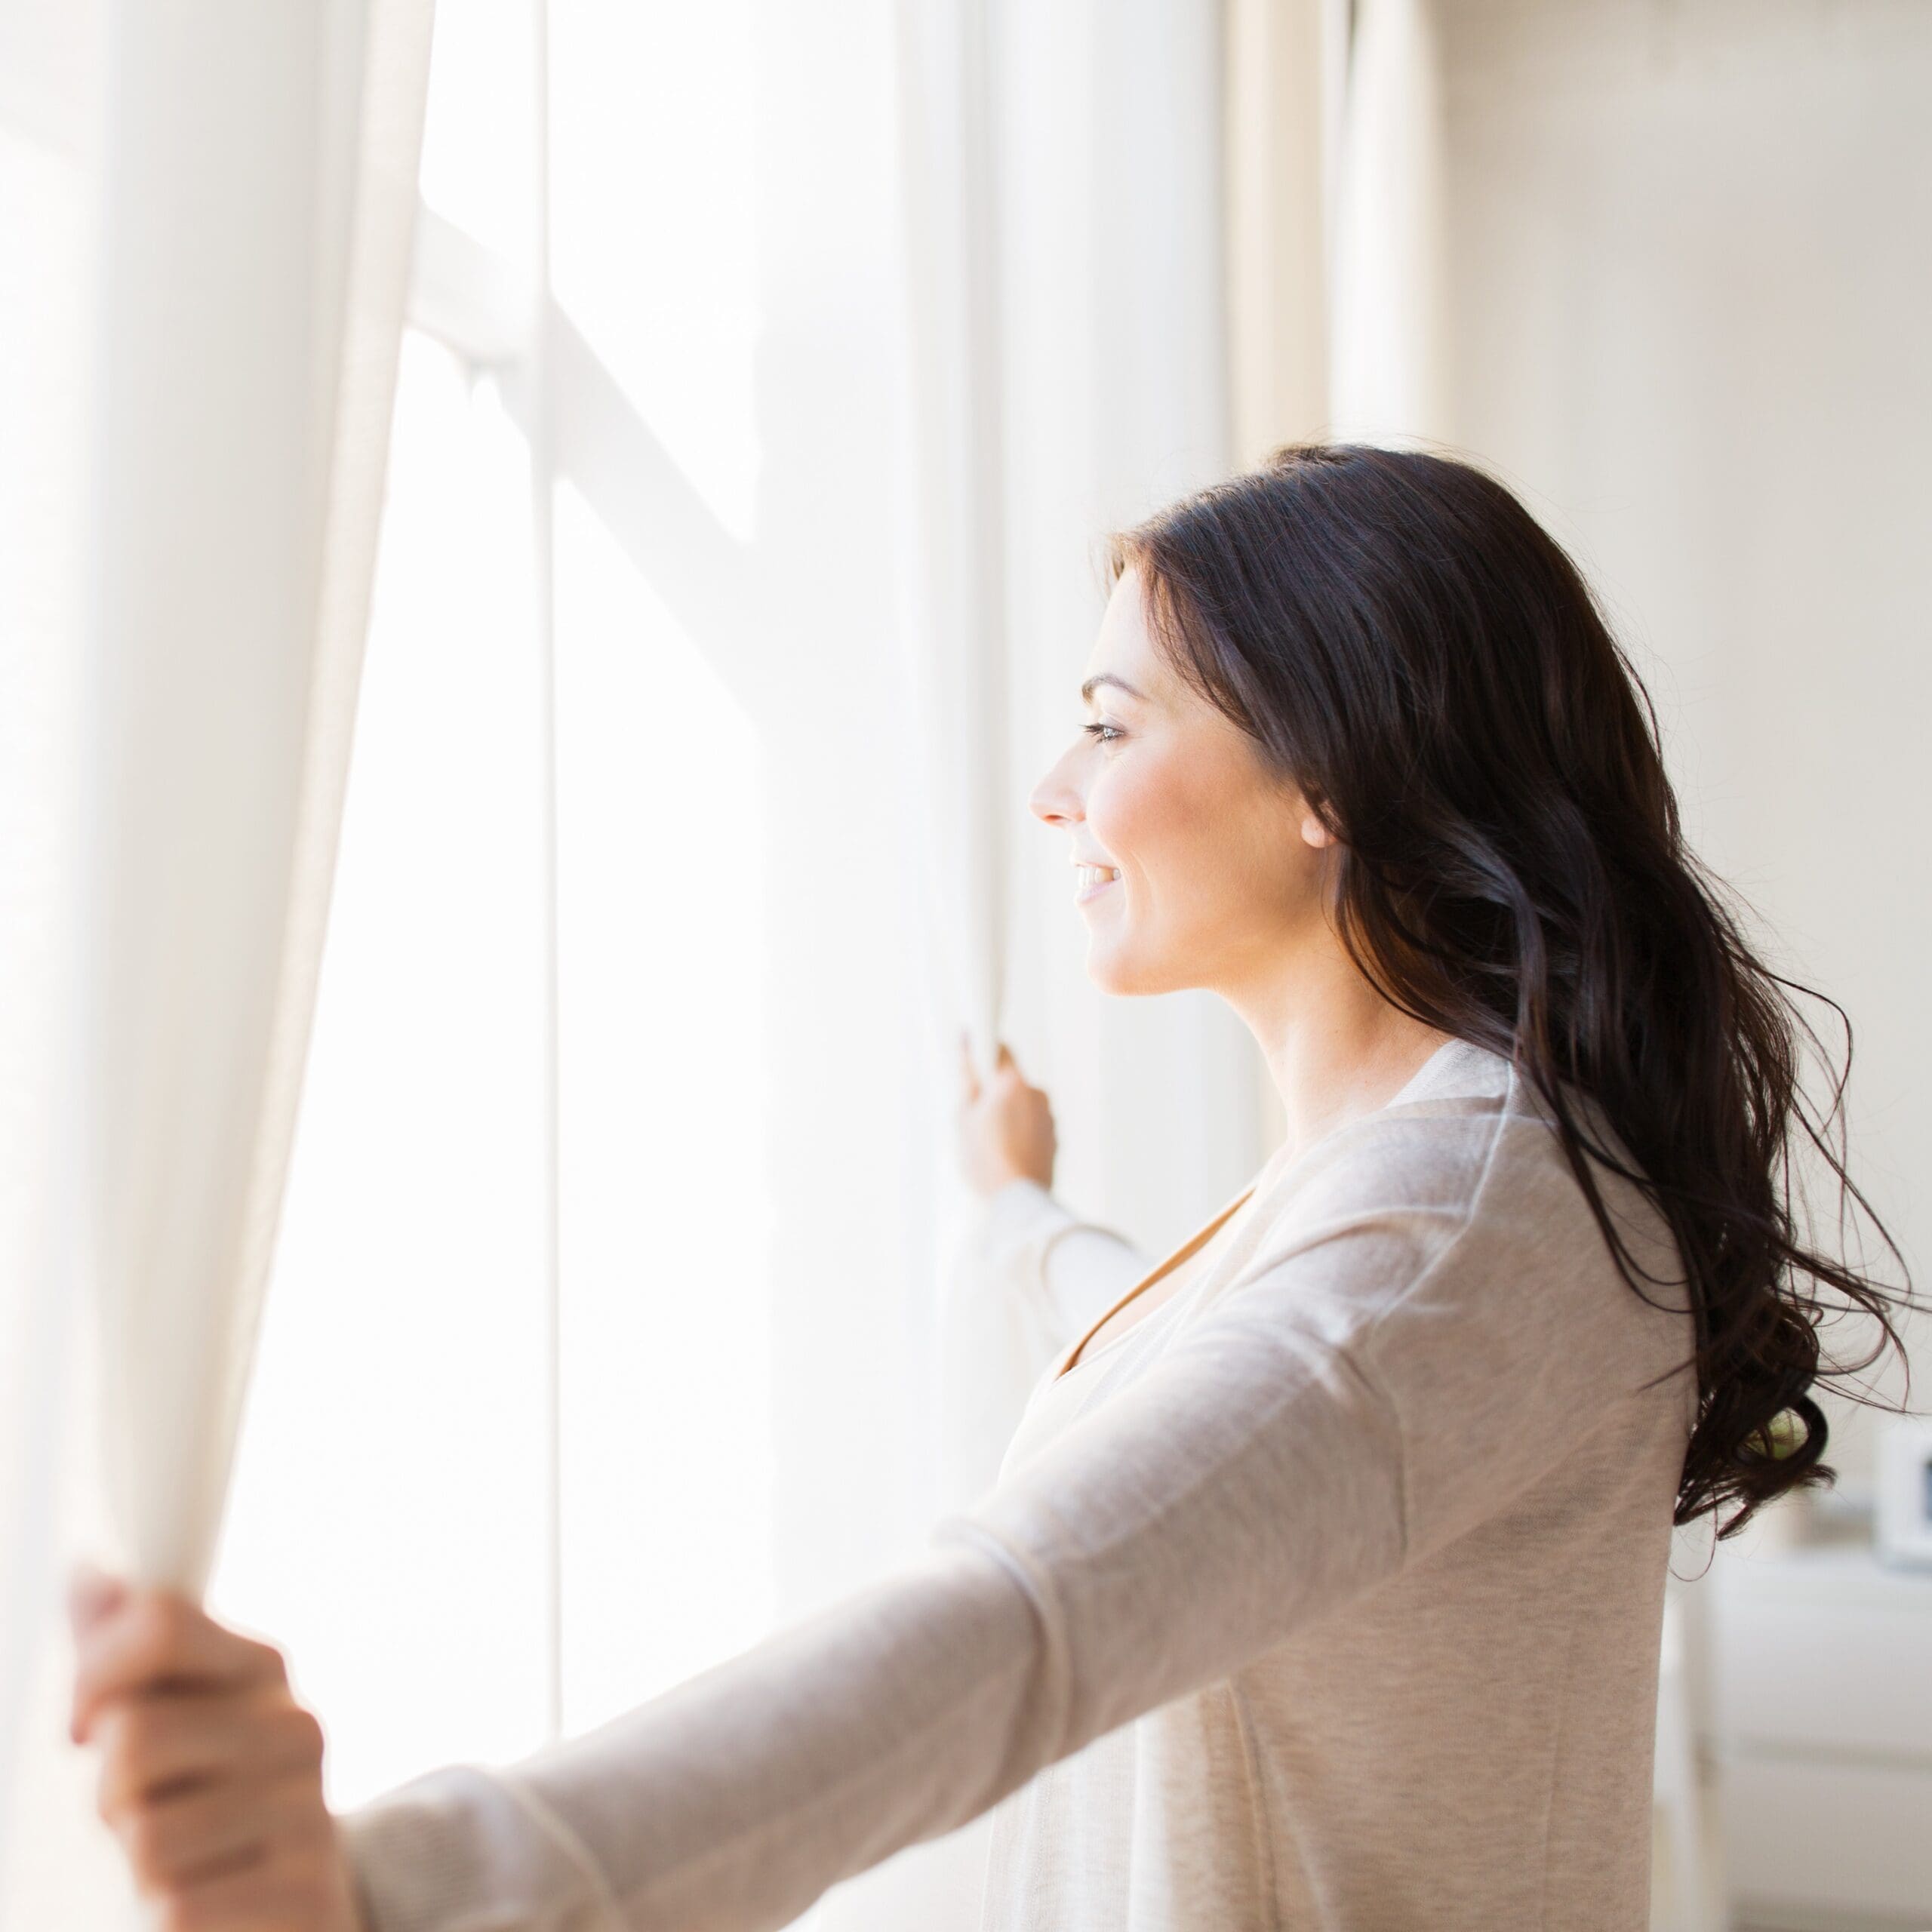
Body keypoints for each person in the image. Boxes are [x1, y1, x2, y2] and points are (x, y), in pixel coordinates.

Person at [68, 444, 1915, 1932]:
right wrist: (1019, 1212)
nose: (1055, 785)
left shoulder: (1450, 1229)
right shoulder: (1436, 1192)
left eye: (1111, 721)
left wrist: (415, 1890)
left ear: (1324, 777)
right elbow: (1235, 1382)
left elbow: (1023, 1617)